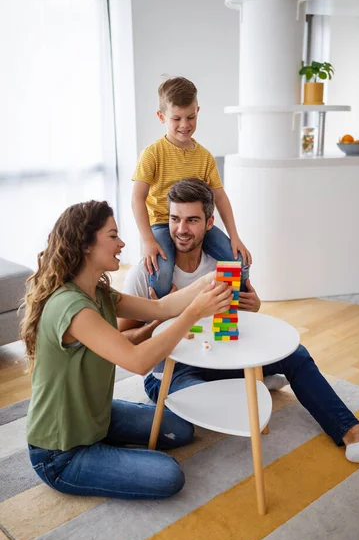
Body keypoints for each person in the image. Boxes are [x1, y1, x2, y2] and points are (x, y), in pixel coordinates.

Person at [121, 179, 359, 464]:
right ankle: (253, 383)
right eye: (175, 219)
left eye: (192, 220)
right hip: (172, 371)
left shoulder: (222, 264)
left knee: (296, 355)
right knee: (213, 415)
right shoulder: (147, 273)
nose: (181, 229)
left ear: (209, 222)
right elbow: (124, 341)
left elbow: (234, 318)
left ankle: (354, 435)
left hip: (221, 356)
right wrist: (164, 317)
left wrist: (253, 306)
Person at [21, 200, 233, 500]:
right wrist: (194, 314)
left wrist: (207, 282)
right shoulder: (71, 307)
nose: (122, 244)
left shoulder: (98, 291)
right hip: (60, 452)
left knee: (181, 430)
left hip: (97, 417)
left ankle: (104, 444)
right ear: (86, 245)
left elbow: (161, 307)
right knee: (168, 474)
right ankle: (96, 456)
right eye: (113, 236)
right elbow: (138, 361)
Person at [131, 75, 251, 298]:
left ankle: (232, 312)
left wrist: (234, 236)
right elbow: (137, 198)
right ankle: (162, 319)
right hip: (161, 224)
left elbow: (220, 198)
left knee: (237, 262)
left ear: (198, 111)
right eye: (176, 118)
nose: (184, 125)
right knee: (161, 273)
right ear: (161, 117)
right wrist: (148, 240)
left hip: (196, 224)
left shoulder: (204, 157)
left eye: (191, 117)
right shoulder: (152, 154)